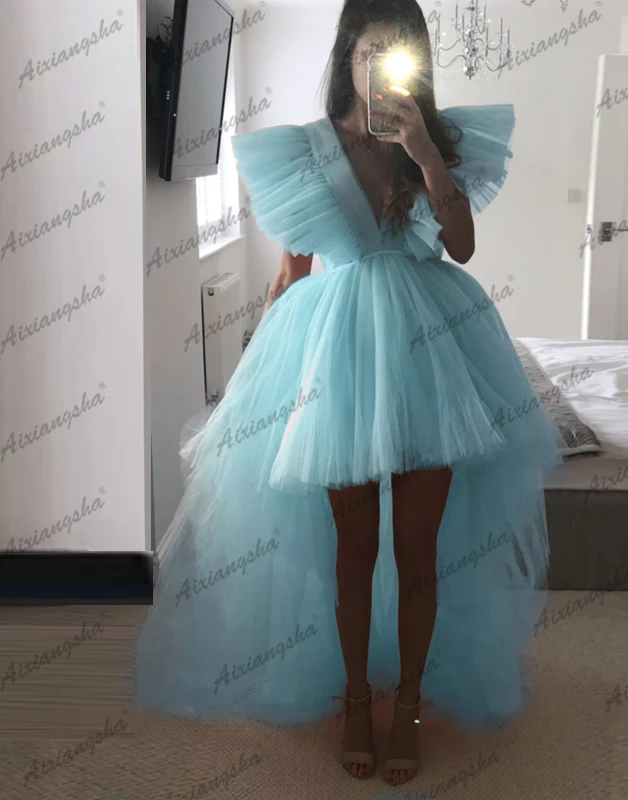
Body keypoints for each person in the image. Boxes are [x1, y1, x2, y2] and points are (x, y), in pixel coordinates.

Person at [133, 0, 562, 788]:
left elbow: (462, 248)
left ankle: (411, 706)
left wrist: (425, 153)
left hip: (433, 353)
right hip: (335, 356)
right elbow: (292, 271)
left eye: (402, 51)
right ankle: (357, 700)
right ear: (347, 55)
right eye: (373, 50)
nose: (386, 66)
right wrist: (258, 377)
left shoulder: (437, 141)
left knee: (420, 552)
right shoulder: (303, 150)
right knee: (352, 553)